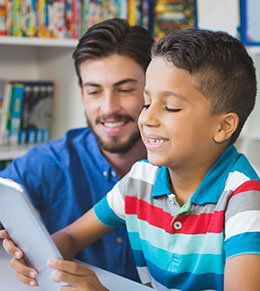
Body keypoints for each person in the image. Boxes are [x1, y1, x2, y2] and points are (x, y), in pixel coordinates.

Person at [2, 27, 260, 290]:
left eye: (170, 107)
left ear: (223, 127)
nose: (146, 118)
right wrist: (36, 257)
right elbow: (70, 237)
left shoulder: (245, 199)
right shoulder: (141, 179)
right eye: (147, 103)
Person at [0, 18, 154, 283]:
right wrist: (15, 246)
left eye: (125, 89)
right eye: (95, 91)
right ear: (82, 93)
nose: (109, 107)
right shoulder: (50, 162)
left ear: (152, 90)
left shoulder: (183, 168)